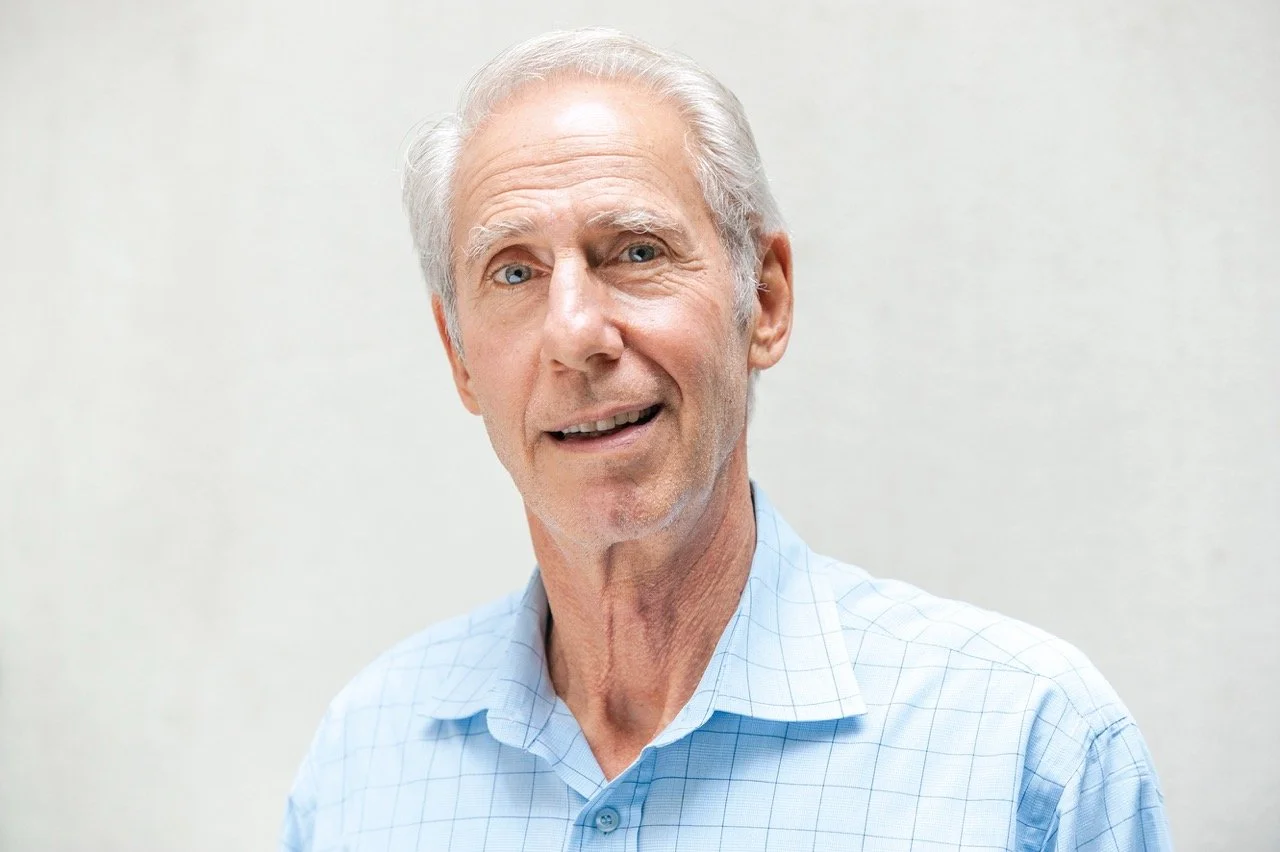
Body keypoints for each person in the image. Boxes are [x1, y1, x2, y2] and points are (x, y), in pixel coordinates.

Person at [279, 28, 1172, 851]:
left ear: (767, 301)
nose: (575, 332)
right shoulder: (366, 756)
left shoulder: (1025, 745)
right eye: (514, 271)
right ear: (461, 358)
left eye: (634, 251)